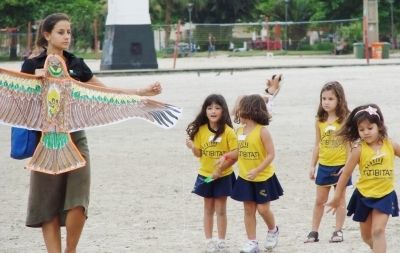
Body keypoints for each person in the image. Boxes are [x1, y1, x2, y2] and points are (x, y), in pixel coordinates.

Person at [22, 13, 161, 253]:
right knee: (47, 203)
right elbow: (22, 104)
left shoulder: (76, 64)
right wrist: (38, 82)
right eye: (61, 32)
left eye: (69, 32)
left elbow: (105, 93)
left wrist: (141, 93)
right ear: (47, 35)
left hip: (76, 138)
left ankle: (71, 250)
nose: (67, 37)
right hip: (44, 139)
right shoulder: (32, 65)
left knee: (78, 200)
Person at [326, 104, 400, 253]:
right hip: (364, 195)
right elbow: (346, 174)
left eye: (370, 128)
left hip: (385, 194)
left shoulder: (389, 144)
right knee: (367, 237)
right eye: (361, 129)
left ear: (379, 126)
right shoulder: (358, 149)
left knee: (378, 231)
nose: (366, 132)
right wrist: (336, 197)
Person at [221, 94, 283, 253]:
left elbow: (271, 155)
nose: (236, 112)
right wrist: (226, 156)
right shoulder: (238, 131)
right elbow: (237, 153)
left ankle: (273, 230)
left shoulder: (262, 132)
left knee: (263, 209)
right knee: (248, 210)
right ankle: (252, 242)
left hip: (263, 177)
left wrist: (258, 170)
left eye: (239, 109)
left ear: (248, 110)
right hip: (245, 178)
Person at [185, 94, 238, 253]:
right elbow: (199, 154)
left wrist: (220, 169)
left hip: (224, 176)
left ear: (223, 110)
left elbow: (235, 154)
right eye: (209, 108)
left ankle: (221, 240)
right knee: (208, 208)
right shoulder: (201, 130)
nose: (213, 111)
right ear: (205, 111)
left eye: (217, 108)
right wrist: (192, 146)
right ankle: (209, 240)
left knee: (221, 209)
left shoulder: (228, 132)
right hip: (206, 175)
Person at [305, 81, 351, 243]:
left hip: (341, 167)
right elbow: (317, 144)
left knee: (339, 199)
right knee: (319, 200)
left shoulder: (346, 119)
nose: (326, 102)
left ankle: (338, 231)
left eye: (330, 98)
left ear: (339, 99)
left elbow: (350, 145)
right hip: (324, 166)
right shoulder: (320, 120)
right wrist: (312, 165)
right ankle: (314, 231)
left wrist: (347, 166)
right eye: (323, 98)